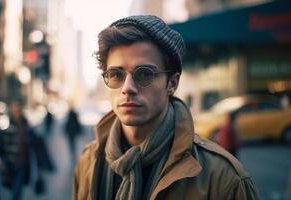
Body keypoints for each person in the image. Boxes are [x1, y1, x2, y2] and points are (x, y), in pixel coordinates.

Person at [72, 15, 259, 200]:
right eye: (116, 74)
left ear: (172, 83)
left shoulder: (224, 179)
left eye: (144, 74)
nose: (127, 88)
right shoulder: (89, 162)